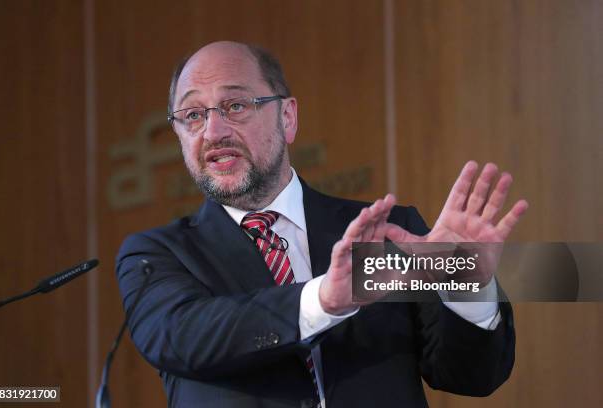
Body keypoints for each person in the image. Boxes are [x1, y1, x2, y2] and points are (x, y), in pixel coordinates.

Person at [116, 41, 528, 408]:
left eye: (235, 106)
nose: (214, 130)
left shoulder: (390, 232)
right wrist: (323, 300)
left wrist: (467, 287)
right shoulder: (156, 255)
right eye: (192, 114)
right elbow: (184, 336)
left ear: (287, 118)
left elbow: (472, 377)